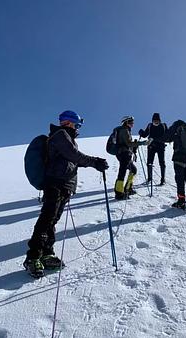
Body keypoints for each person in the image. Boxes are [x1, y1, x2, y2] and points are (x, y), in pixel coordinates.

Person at [24, 110, 109, 278]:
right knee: (47, 218)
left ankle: (47, 253)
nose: (78, 129)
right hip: (54, 182)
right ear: (70, 123)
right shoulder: (61, 134)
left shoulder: (65, 138)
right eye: (77, 125)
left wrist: (91, 164)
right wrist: (94, 161)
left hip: (64, 184)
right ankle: (33, 257)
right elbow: (73, 155)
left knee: (52, 219)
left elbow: (71, 160)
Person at [114, 115, 148, 200]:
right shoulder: (124, 130)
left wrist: (134, 146)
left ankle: (127, 189)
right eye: (131, 122)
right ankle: (119, 193)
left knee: (132, 170)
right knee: (123, 172)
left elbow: (127, 144)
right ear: (126, 122)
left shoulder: (125, 130)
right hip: (124, 154)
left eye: (132, 122)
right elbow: (128, 143)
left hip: (123, 153)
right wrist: (141, 143)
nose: (132, 124)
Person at [139, 113, 167, 185]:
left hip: (158, 146)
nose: (156, 122)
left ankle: (162, 179)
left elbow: (168, 135)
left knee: (161, 162)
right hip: (153, 146)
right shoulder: (150, 125)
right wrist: (141, 132)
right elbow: (145, 134)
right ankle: (150, 178)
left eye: (157, 120)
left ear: (160, 120)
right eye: (154, 120)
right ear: (152, 120)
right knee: (150, 162)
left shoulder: (163, 125)